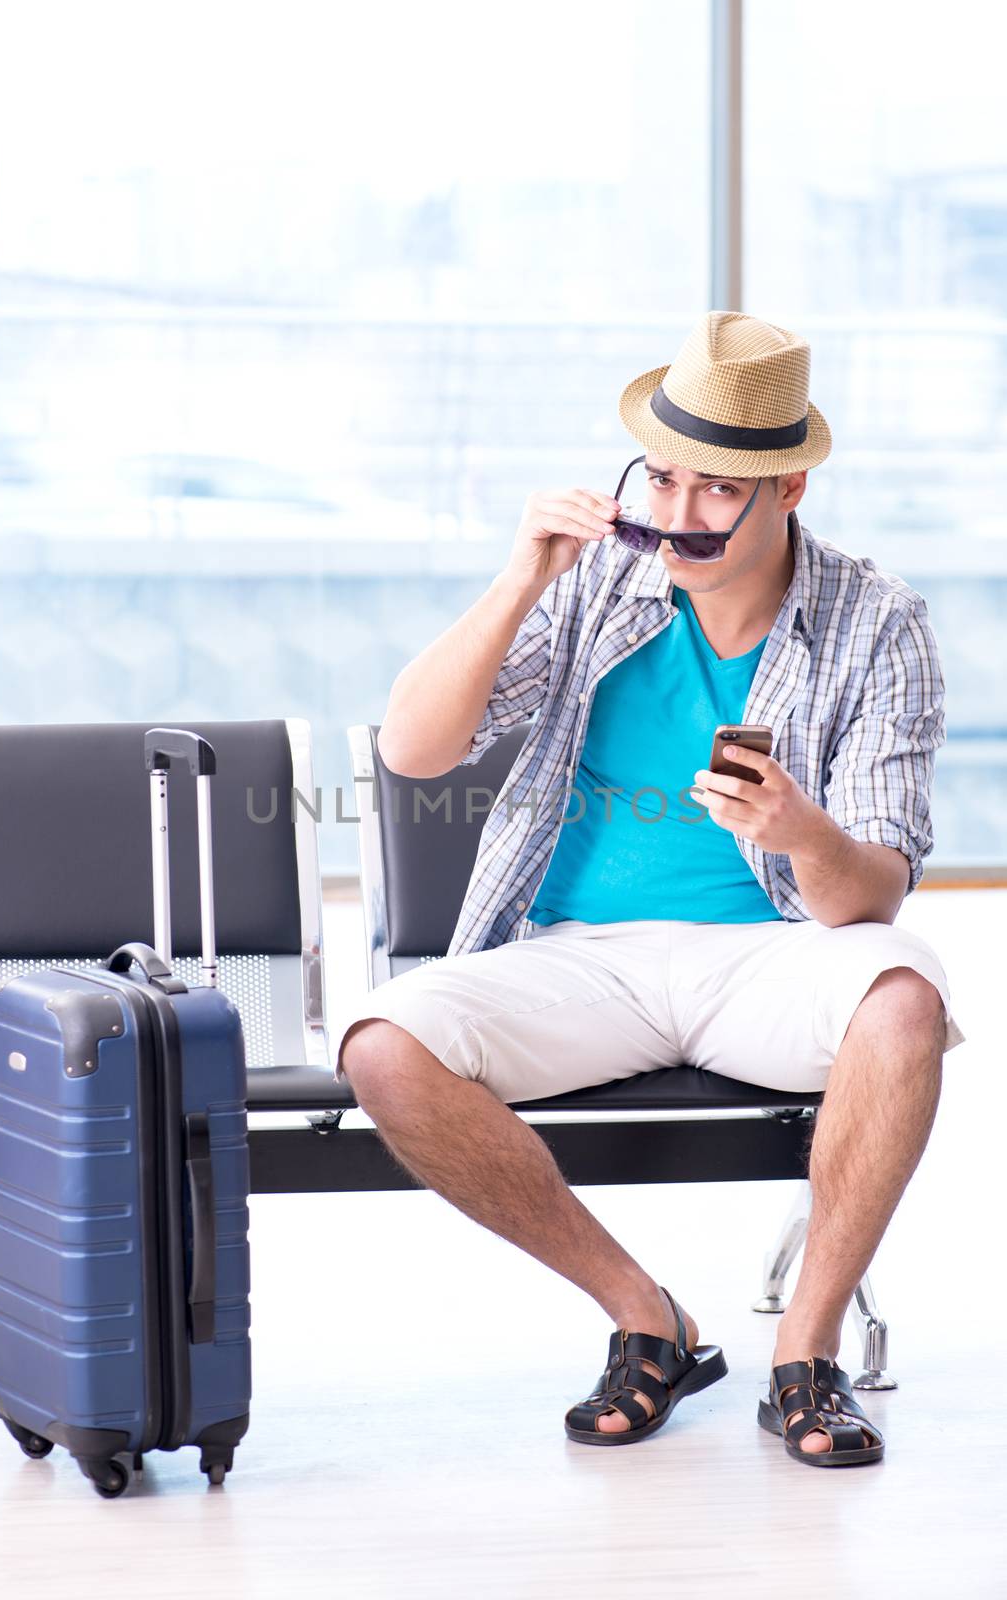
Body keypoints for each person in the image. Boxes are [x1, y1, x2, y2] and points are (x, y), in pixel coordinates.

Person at [333, 309, 966, 1469]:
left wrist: (800, 829)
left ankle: (806, 1351)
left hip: (772, 951)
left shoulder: (881, 623)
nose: (677, 517)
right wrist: (523, 571)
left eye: (716, 491)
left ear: (788, 490)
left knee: (906, 995)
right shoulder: (594, 590)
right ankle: (647, 1317)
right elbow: (415, 750)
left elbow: (868, 896)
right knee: (383, 1043)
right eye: (661, 479)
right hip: (582, 952)